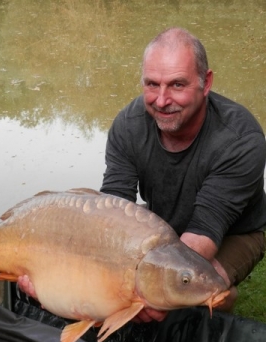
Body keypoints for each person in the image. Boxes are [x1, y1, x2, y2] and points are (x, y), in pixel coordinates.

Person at [18, 27, 266, 323]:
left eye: (177, 85)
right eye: (152, 84)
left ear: (206, 82)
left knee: (189, 289)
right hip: (161, 224)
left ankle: (222, 296)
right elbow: (109, 211)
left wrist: (137, 289)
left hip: (233, 231)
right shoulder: (129, 125)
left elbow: (204, 231)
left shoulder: (241, 139)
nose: (161, 101)